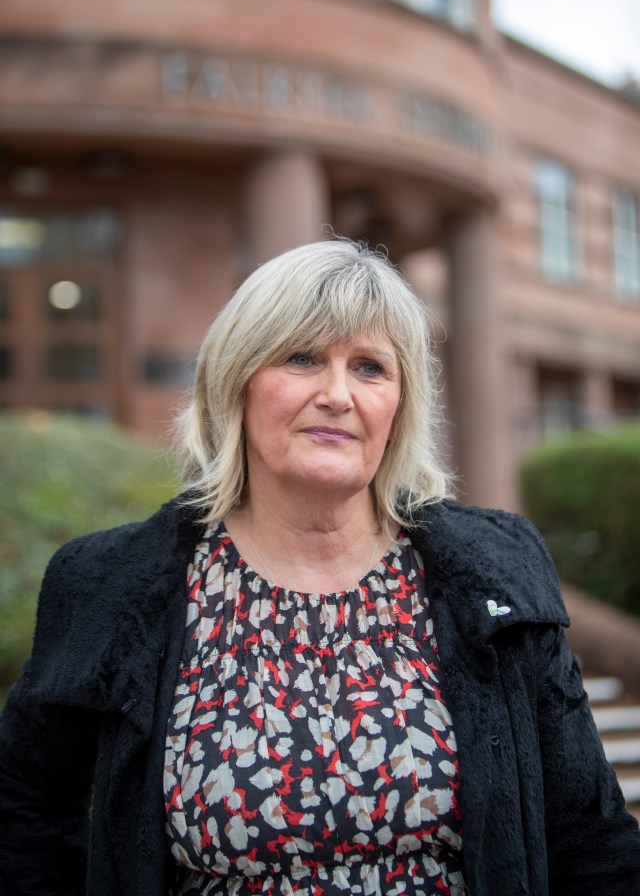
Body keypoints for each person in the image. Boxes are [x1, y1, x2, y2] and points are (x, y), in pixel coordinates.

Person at [0, 238, 639, 896]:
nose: (339, 394)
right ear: (236, 381)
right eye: (302, 358)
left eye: (369, 367)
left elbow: (589, 836)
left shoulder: (495, 571)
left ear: (399, 405)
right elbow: (24, 813)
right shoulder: (109, 583)